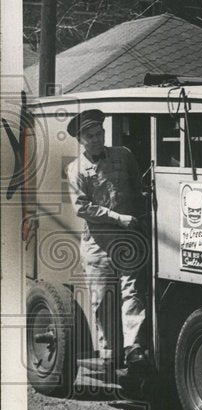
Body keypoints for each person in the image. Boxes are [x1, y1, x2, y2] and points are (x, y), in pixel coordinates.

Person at [65, 109, 149, 377]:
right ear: (80, 139)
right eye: (90, 136)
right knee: (102, 300)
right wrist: (117, 217)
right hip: (97, 243)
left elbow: (139, 188)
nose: (97, 139)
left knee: (132, 293)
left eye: (99, 133)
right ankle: (109, 356)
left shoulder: (123, 156)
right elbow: (82, 208)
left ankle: (132, 348)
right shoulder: (75, 169)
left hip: (128, 238)